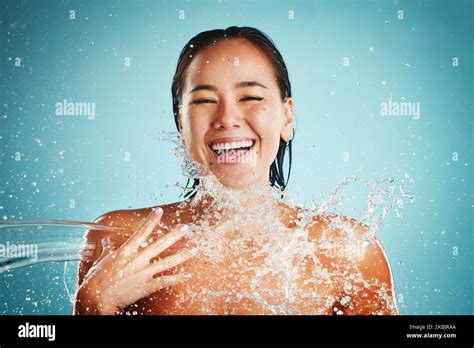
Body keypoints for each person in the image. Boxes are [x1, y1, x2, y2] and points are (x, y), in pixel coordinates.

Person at [73, 26, 398, 315]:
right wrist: (92, 308)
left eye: (251, 96)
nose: (227, 117)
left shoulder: (348, 251)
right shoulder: (122, 238)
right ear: (182, 124)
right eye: (203, 101)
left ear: (287, 117)